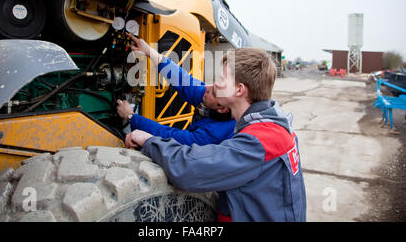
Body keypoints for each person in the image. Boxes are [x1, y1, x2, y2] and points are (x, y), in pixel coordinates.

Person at [126, 48, 307, 222]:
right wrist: (151, 53)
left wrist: (149, 140)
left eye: (222, 78)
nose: (215, 83)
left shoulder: (260, 142)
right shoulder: (271, 122)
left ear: (239, 90)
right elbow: (188, 84)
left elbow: (189, 170)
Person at [116, 33, 235, 146]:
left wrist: (131, 116)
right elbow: (184, 81)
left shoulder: (215, 134)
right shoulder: (217, 98)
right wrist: (150, 52)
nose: (206, 88)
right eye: (212, 84)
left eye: (212, 92)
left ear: (222, 109)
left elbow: (173, 137)